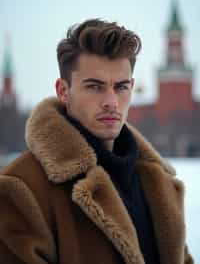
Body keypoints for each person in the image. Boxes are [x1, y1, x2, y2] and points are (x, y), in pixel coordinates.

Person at [0, 19, 193, 264]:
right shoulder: (21, 189)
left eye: (121, 87)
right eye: (94, 86)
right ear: (63, 91)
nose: (111, 102)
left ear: (132, 87)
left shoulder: (160, 184)